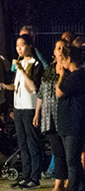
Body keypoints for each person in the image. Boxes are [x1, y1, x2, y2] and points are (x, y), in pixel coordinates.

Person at [0, 34, 44, 189]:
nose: (19, 48)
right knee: (22, 144)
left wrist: (22, 70)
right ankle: (26, 175)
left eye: (22, 45)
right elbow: (15, 85)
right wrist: (4, 86)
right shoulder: (19, 63)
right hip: (18, 107)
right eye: (17, 45)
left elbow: (34, 87)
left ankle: (35, 177)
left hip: (30, 108)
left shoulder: (35, 64)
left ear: (30, 45)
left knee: (33, 143)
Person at [34, 39, 69, 191]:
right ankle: (59, 183)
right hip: (49, 117)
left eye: (63, 48)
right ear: (54, 52)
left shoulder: (69, 71)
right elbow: (41, 93)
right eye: (57, 48)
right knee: (57, 151)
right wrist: (37, 113)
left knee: (67, 152)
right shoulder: (49, 69)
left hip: (63, 116)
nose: (60, 50)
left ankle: (66, 181)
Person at [56, 46, 85, 191]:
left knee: (72, 161)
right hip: (69, 123)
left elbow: (59, 92)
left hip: (73, 124)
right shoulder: (76, 75)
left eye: (63, 59)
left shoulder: (76, 75)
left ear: (69, 59)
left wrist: (61, 74)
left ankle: (73, 188)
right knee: (74, 161)